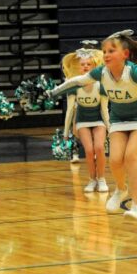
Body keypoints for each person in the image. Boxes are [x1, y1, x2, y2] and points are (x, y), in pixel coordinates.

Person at [49, 29, 137, 222]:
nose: (106, 54)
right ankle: (121, 189)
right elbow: (78, 80)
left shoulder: (134, 72)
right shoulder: (101, 73)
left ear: (125, 54)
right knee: (115, 160)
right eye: (104, 51)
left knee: (130, 156)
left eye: (111, 50)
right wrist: (54, 92)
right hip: (119, 120)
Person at [60, 42, 110, 193]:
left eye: (89, 64)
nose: (86, 66)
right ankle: (92, 179)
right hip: (82, 121)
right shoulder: (73, 85)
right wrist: (65, 132)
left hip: (98, 120)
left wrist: (110, 129)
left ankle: (101, 179)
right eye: (83, 64)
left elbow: (104, 109)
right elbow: (69, 111)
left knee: (99, 148)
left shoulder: (102, 85)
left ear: (95, 66)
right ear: (78, 67)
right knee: (89, 150)